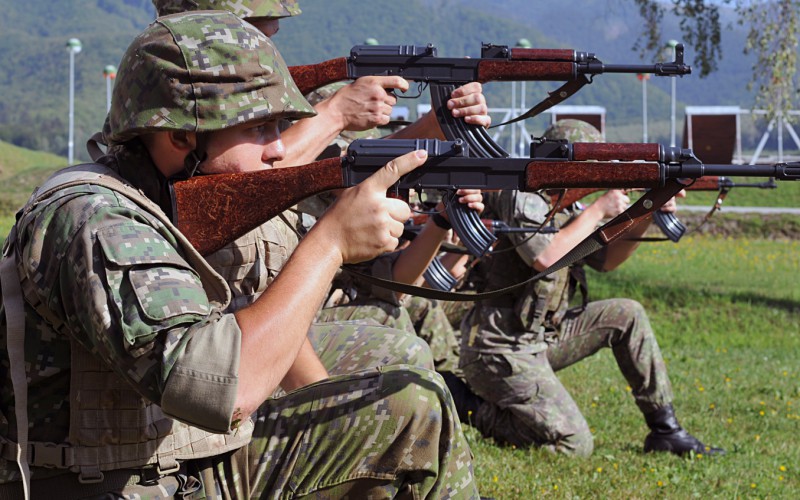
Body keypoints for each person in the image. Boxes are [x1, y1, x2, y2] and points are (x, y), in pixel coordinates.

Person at [0, 12, 479, 498]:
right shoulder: (100, 221)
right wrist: (330, 243)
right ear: (181, 137)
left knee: (396, 359)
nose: (278, 150)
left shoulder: (162, 195)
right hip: (112, 481)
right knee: (416, 407)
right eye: (260, 129)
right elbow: (226, 389)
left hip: (166, 449)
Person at [458, 119, 725, 457]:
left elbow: (608, 260)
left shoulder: (567, 205)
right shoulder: (521, 194)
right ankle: (468, 405)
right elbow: (546, 258)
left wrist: (646, 210)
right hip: (498, 349)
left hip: (540, 338)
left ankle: (665, 430)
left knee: (627, 314)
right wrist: (600, 209)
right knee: (574, 445)